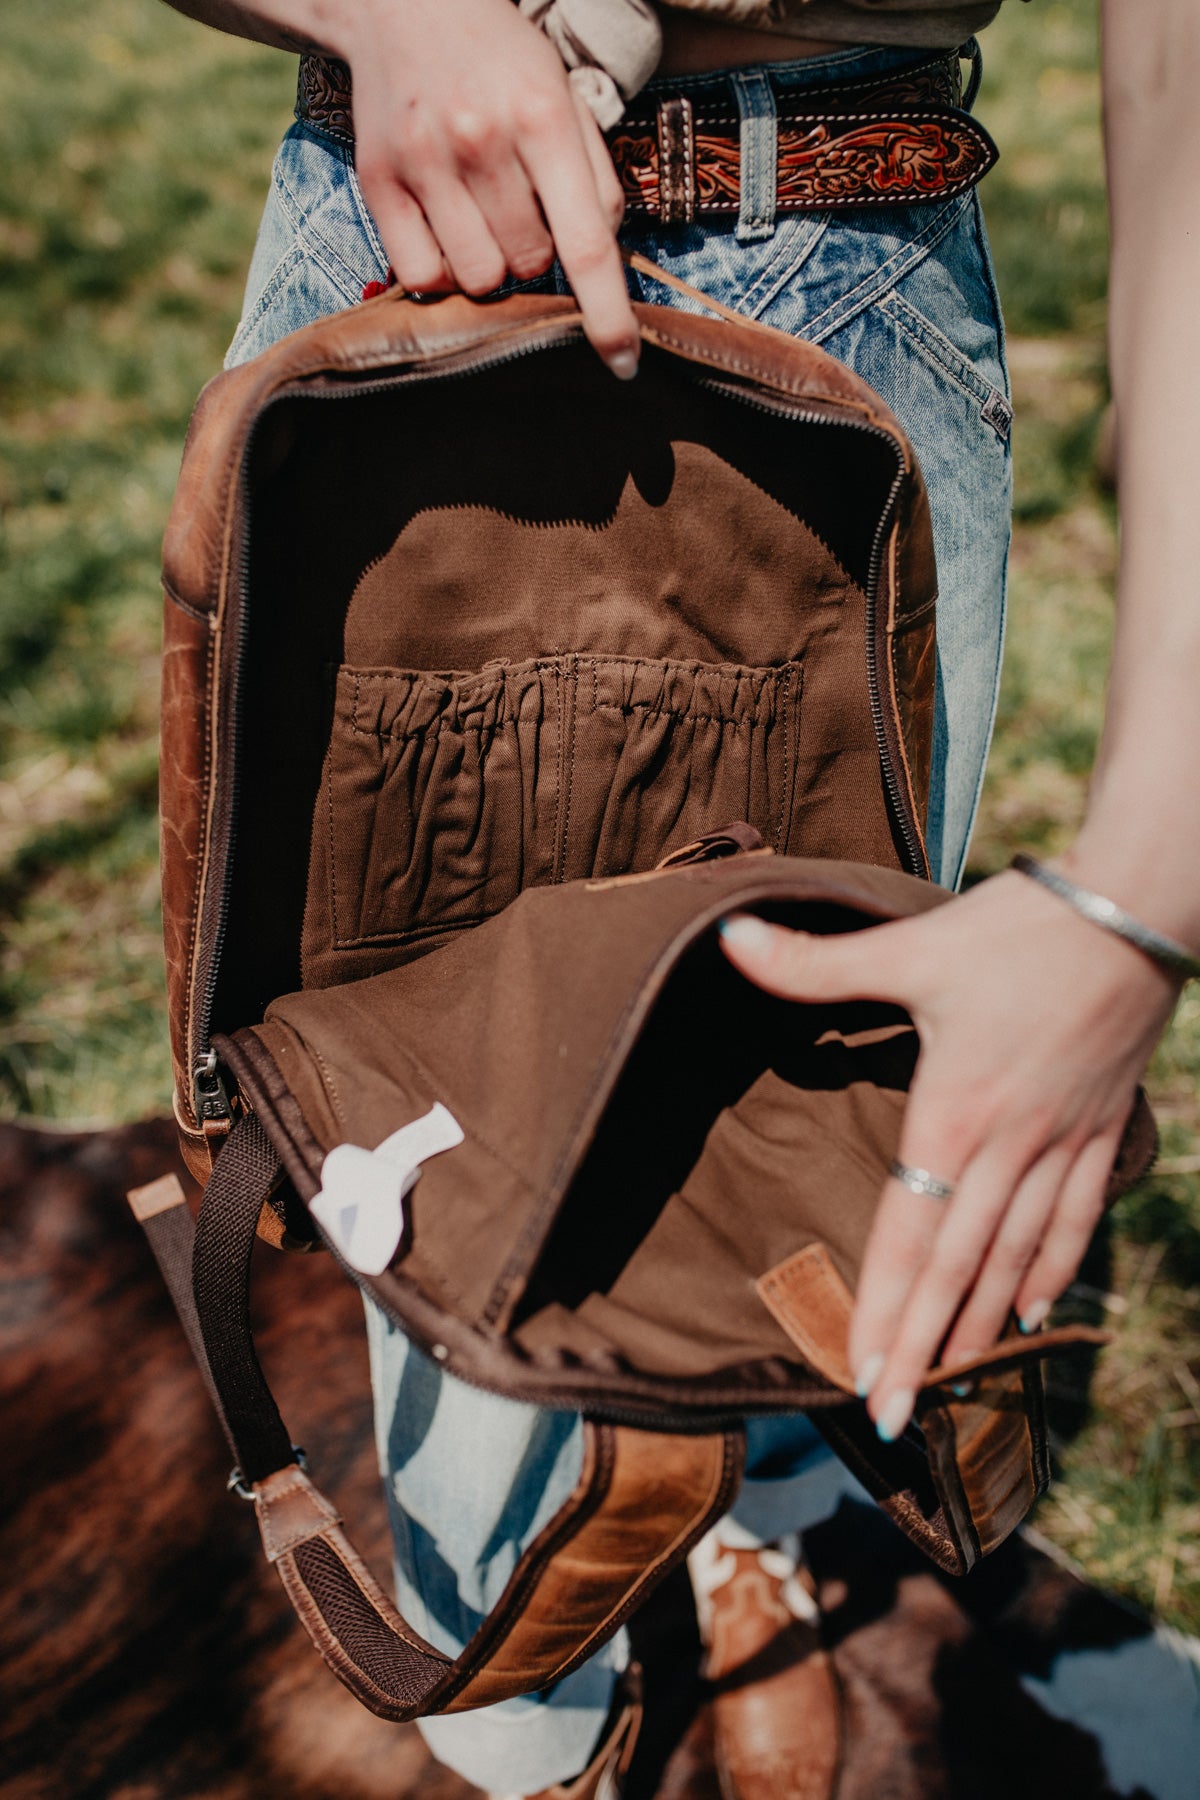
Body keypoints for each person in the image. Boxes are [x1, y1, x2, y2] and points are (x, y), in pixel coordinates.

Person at [157, 3, 1200, 1795]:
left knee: (768, 1123)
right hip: (398, 224)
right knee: (429, 1135)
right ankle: (524, 1728)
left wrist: (1142, 899)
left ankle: (738, 1503)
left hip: (851, 278)